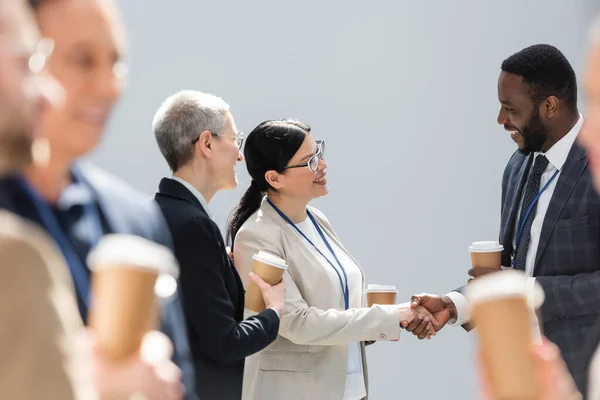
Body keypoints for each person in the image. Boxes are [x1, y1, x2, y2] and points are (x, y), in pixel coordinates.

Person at [0, 0, 197, 398]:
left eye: (116, 62)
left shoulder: (137, 218)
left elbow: (181, 380)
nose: (109, 86)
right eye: (82, 60)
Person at [408, 44, 598, 392]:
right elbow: (510, 270)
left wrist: (531, 291)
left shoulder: (596, 168)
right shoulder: (519, 165)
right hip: (520, 373)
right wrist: (455, 304)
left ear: (550, 106)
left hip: (583, 375)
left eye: (510, 109)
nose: (501, 120)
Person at [227, 118, 438, 400]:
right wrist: (391, 315)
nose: (322, 166)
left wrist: (388, 320)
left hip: (348, 390)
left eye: (320, 154)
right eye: (310, 161)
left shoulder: (317, 219)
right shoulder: (256, 235)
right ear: (274, 178)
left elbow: (333, 307)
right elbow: (296, 323)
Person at [152, 90, 285, 399]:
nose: (240, 155)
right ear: (207, 144)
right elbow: (225, 343)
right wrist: (274, 311)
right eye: (235, 141)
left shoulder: (157, 213)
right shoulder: (195, 226)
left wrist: (221, 266)